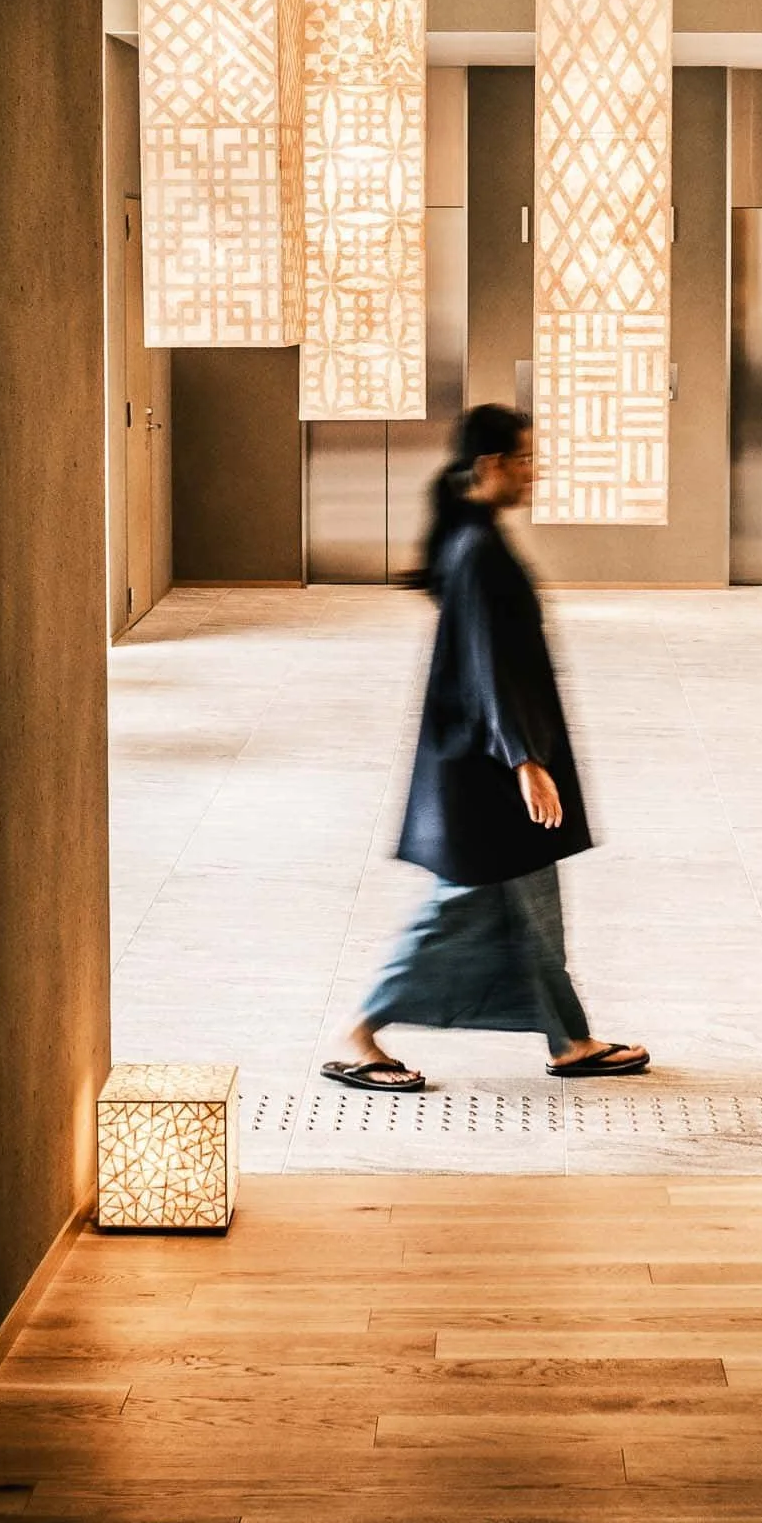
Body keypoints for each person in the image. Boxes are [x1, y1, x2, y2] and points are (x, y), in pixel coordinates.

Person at [322, 403, 650, 1092]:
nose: (533, 474)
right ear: (490, 466)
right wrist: (524, 759)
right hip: (484, 769)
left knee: (532, 899)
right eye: (525, 460)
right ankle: (358, 1034)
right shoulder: (477, 552)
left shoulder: (476, 537)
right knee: (463, 902)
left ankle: (570, 1040)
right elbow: (486, 663)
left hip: (489, 758)